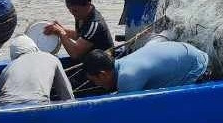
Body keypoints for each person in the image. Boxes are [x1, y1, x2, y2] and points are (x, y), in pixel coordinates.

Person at [81, 38, 209, 94]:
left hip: (195, 67)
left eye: (94, 81)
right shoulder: (121, 63)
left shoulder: (127, 76)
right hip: (188, 51)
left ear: (103, 74)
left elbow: (127, 113)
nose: (96, 85)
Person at [0, 35, 74, 107]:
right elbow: (65, 91)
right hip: (38, 104)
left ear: (13, 54)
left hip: (5, 105)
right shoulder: (52, 58)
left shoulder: (7, 68)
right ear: (34, 46)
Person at [42, 0, 114, 60]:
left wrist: (61, 33)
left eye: (75, 11)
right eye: (70, 10)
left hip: (100, 65)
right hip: (87, 57)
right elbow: (79, 36)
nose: (72, 13)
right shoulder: (81, 14)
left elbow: (75, 54)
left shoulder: (95, 25)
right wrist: (61, 29)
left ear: (88, 5)